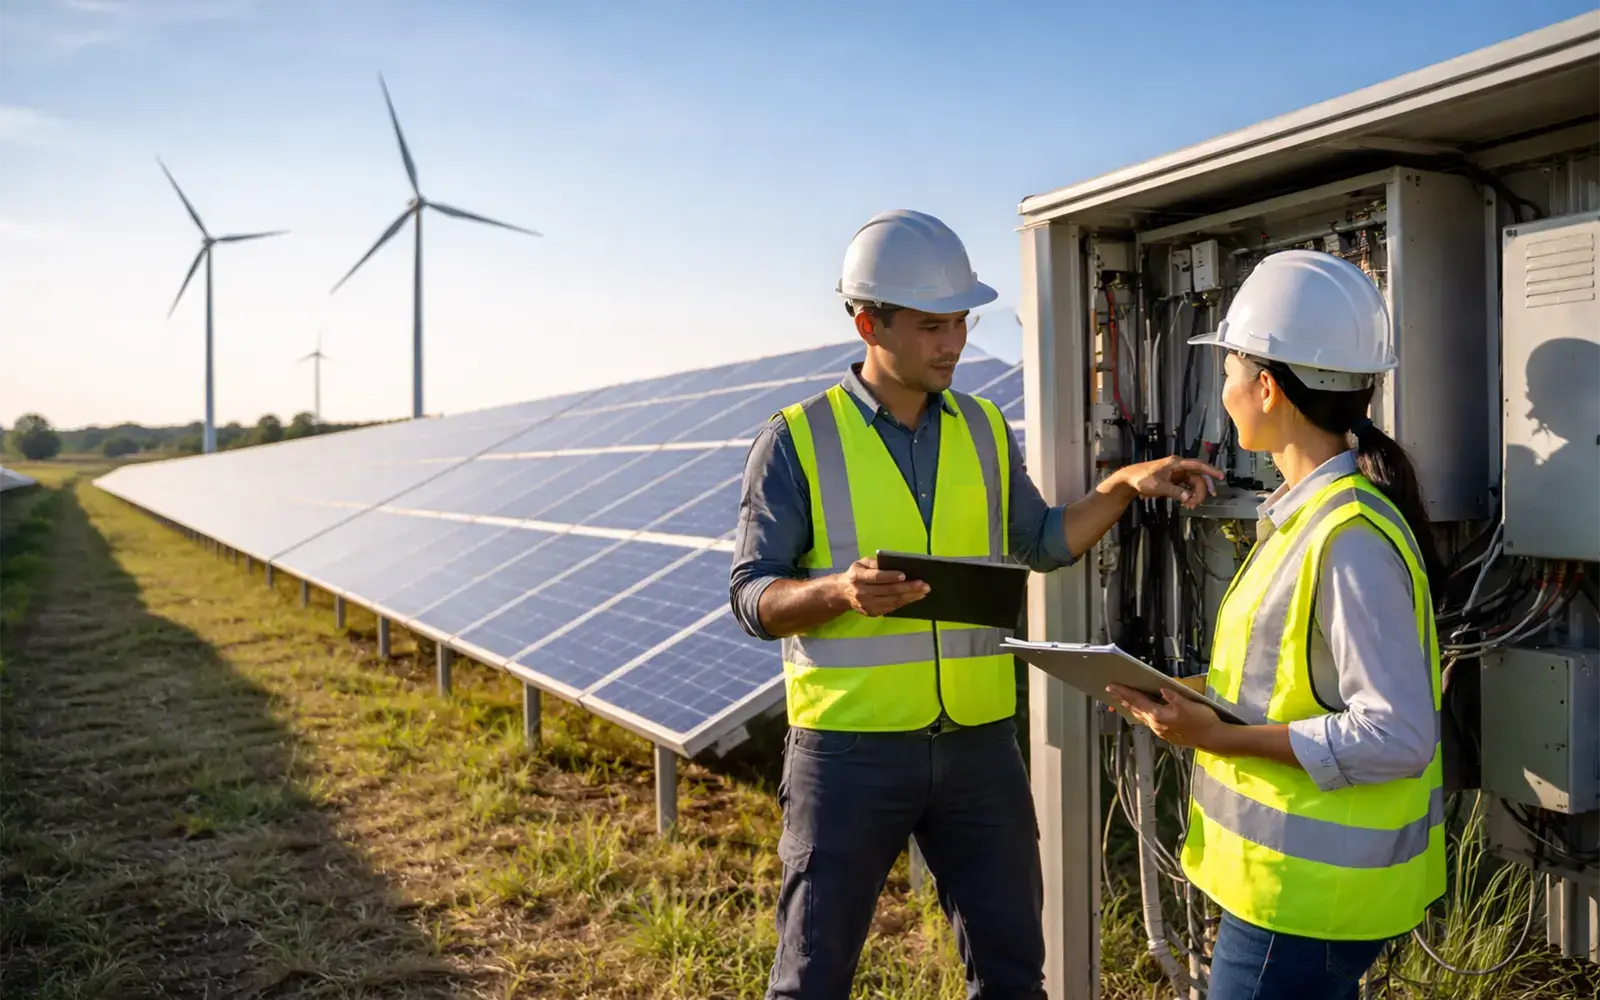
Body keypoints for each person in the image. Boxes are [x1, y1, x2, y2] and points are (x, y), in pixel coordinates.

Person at [730, 208, 1223, 1000]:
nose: (954, 343)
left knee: (1012, 976)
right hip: (849, 755)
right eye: (932, 326)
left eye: (962, 321)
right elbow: (752, 596)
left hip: (978, 751)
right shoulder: (796, 439)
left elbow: (1044, 542)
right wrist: (837, 592)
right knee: (812, 981)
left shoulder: (987, 430)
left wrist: (1122, 487)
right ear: (868, 322)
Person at [1107, 250, 1445, 1000]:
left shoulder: (1348, 537)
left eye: (1228, 371)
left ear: (1267, 385)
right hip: (1286, 896)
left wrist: (1215, 736)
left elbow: (1397, 734)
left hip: (1304, 907)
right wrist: (1182, 693)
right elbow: (1283, 684)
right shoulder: (1307, 519)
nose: (1223, 391)